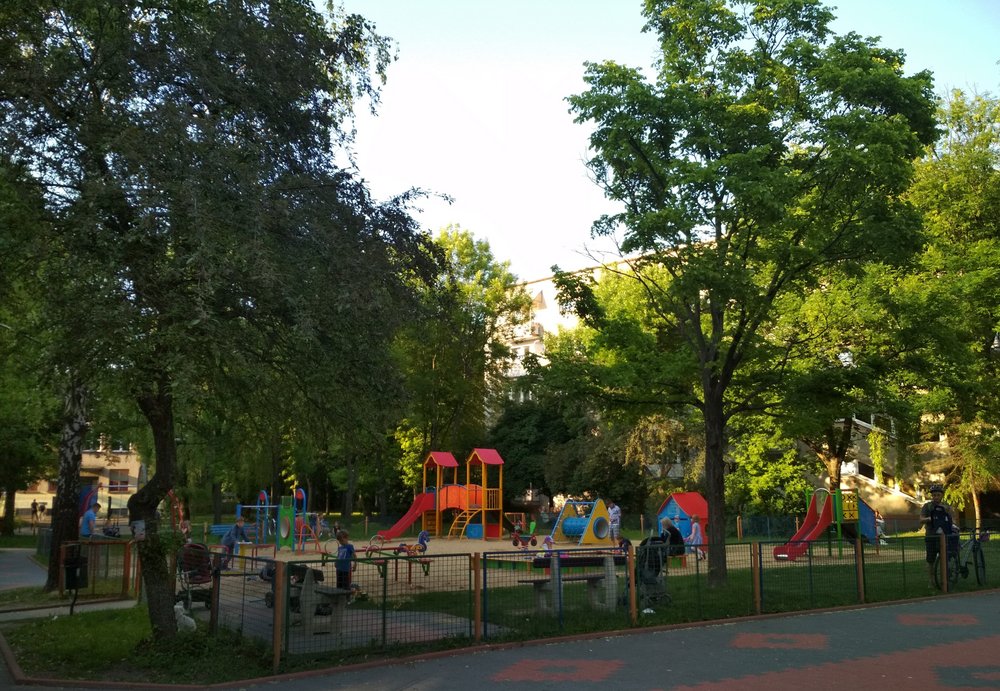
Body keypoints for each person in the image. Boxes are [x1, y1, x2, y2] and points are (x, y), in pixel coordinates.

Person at [920, 484, 955, 588]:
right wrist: (931, 518)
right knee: (930, 560)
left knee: (945, 559)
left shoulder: (946, 507)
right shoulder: (927, 506)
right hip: (931, 536)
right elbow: (921, 519)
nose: (936, 497)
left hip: (944, 537)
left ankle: (944, 580)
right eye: (934, 495)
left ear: (942, 496)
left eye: (938, 495)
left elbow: (952, 519)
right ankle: (931, 581)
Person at [334, 529, 356, 598]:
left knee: (346, 584)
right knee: (339, 584)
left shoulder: (349, 546)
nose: (341, 542)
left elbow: (354, 556)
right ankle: (339, 597)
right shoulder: (340, 548)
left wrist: (355, 565)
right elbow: (338, 556)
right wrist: (336, 562)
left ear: (346, 538)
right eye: (339, 541)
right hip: (339, 569)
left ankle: (347, 598)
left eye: (342, 540)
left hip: (346, 569)